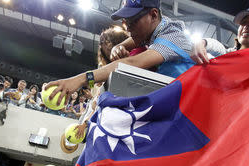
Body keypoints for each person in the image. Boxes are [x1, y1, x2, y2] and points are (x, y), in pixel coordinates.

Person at [44, 0, 223, 104]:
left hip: (209, 101)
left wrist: (81, 79)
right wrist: (118, 45)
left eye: (133, 22)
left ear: (153, 15)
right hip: (188, 100)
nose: (128, 28)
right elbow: (136, 37)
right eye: (125, 23)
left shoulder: (172, 37)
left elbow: (131, 64)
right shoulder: (160, 25)